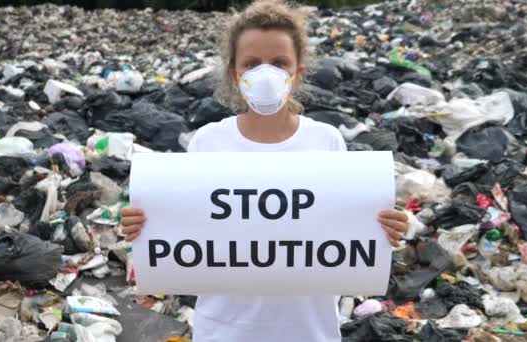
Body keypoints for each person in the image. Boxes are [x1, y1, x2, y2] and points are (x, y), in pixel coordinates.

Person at [120, 0, 409, 340]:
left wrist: (383, 229)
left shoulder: (326, 140)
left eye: (279, 63)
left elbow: (344, 224)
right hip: (224, 330)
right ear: (235, 74)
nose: (266, 73)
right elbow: (186, 222)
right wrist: (145, 223)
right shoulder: (209, 142)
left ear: (298, 72)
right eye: (252, 64)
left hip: (309, 329)